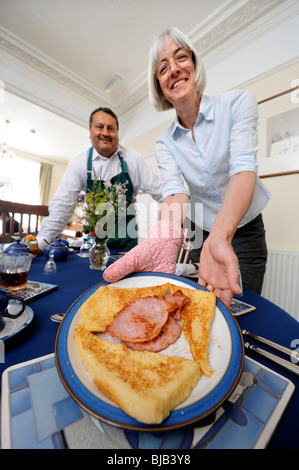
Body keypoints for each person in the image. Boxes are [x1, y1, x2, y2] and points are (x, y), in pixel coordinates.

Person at [104, 27, 271, 308]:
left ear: (194, 64)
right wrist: (162, 236)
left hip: (246, 229)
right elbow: (175, 194)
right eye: (163, 67)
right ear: (159, 86)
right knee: (206, 310)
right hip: (201, 231)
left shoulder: (239, 103)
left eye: (181, 57)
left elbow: (243, 170)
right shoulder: (165, 143)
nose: (174, 70)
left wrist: (219, 238)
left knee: (245, 310)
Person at [36, 107, 163, 252]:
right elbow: (62, 207)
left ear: (117, 133)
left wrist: (177, 223)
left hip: (127, 250)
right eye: (99, 127)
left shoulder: (133, 159)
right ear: (90, 131)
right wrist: (41, 243)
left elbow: (162, 192)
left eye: (111, 128)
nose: (105, 133)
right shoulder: (80, 162)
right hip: (94, 249)